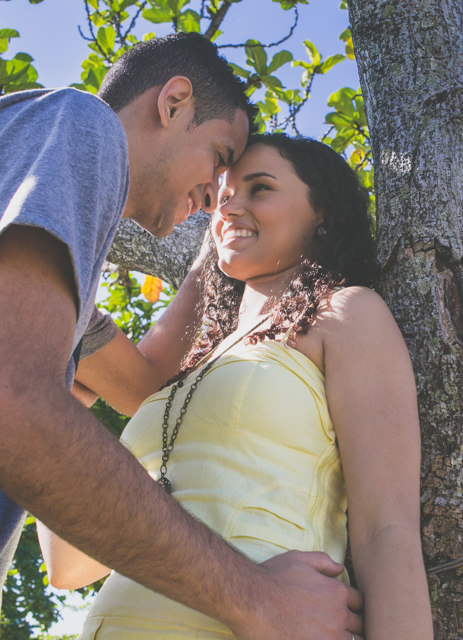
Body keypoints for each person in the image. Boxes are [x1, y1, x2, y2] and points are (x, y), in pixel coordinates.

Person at [0, 34, 361, 640]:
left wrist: (217, 256)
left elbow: (142, 384)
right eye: (219, 158)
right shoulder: (76, 123)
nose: (216, 196)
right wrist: (261, 598)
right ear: (173, 103)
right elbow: (11, 408)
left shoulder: (36, 285)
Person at [39, 133, 435, 639]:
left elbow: (388, 531)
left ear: (323, 214)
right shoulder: (186, 374)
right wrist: (59, 389)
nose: (230, 207)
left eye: (260, 189)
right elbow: (68, 563)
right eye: (222, 196)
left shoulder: (347, 314)